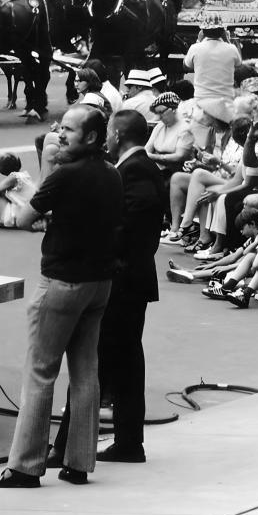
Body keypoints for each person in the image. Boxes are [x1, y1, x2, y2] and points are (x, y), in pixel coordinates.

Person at [0, 105, 122, 489]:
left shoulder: (64, 176)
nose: (61, 134)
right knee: (85, 370)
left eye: (70, 130)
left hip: (62, 281)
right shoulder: (111, 174)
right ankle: (79, 461)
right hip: (99, 282)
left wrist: (48, 167)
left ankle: (25, 465)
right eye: (61, 129)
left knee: (41, 370)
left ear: (91, 137)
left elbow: (23, 219)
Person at [50, 110, 166, 465]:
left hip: (122, 280)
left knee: (92, 364)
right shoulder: (137, 169)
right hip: (131, 278)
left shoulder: (136, 171)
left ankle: (70, 445)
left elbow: (131, 220)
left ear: (116, 135)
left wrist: (99, 239)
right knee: (122, 363)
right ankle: (127, 441)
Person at [182, 17, 241, 149]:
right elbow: (239, 64)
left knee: (200, 145)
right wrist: (227, 40)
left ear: (203, 31)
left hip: (202, 103)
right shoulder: (231, 49)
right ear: (222, 31)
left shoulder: (195, 47)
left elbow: (186, 66)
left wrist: (198, 41)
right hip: (225, 103)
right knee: (223, 142)